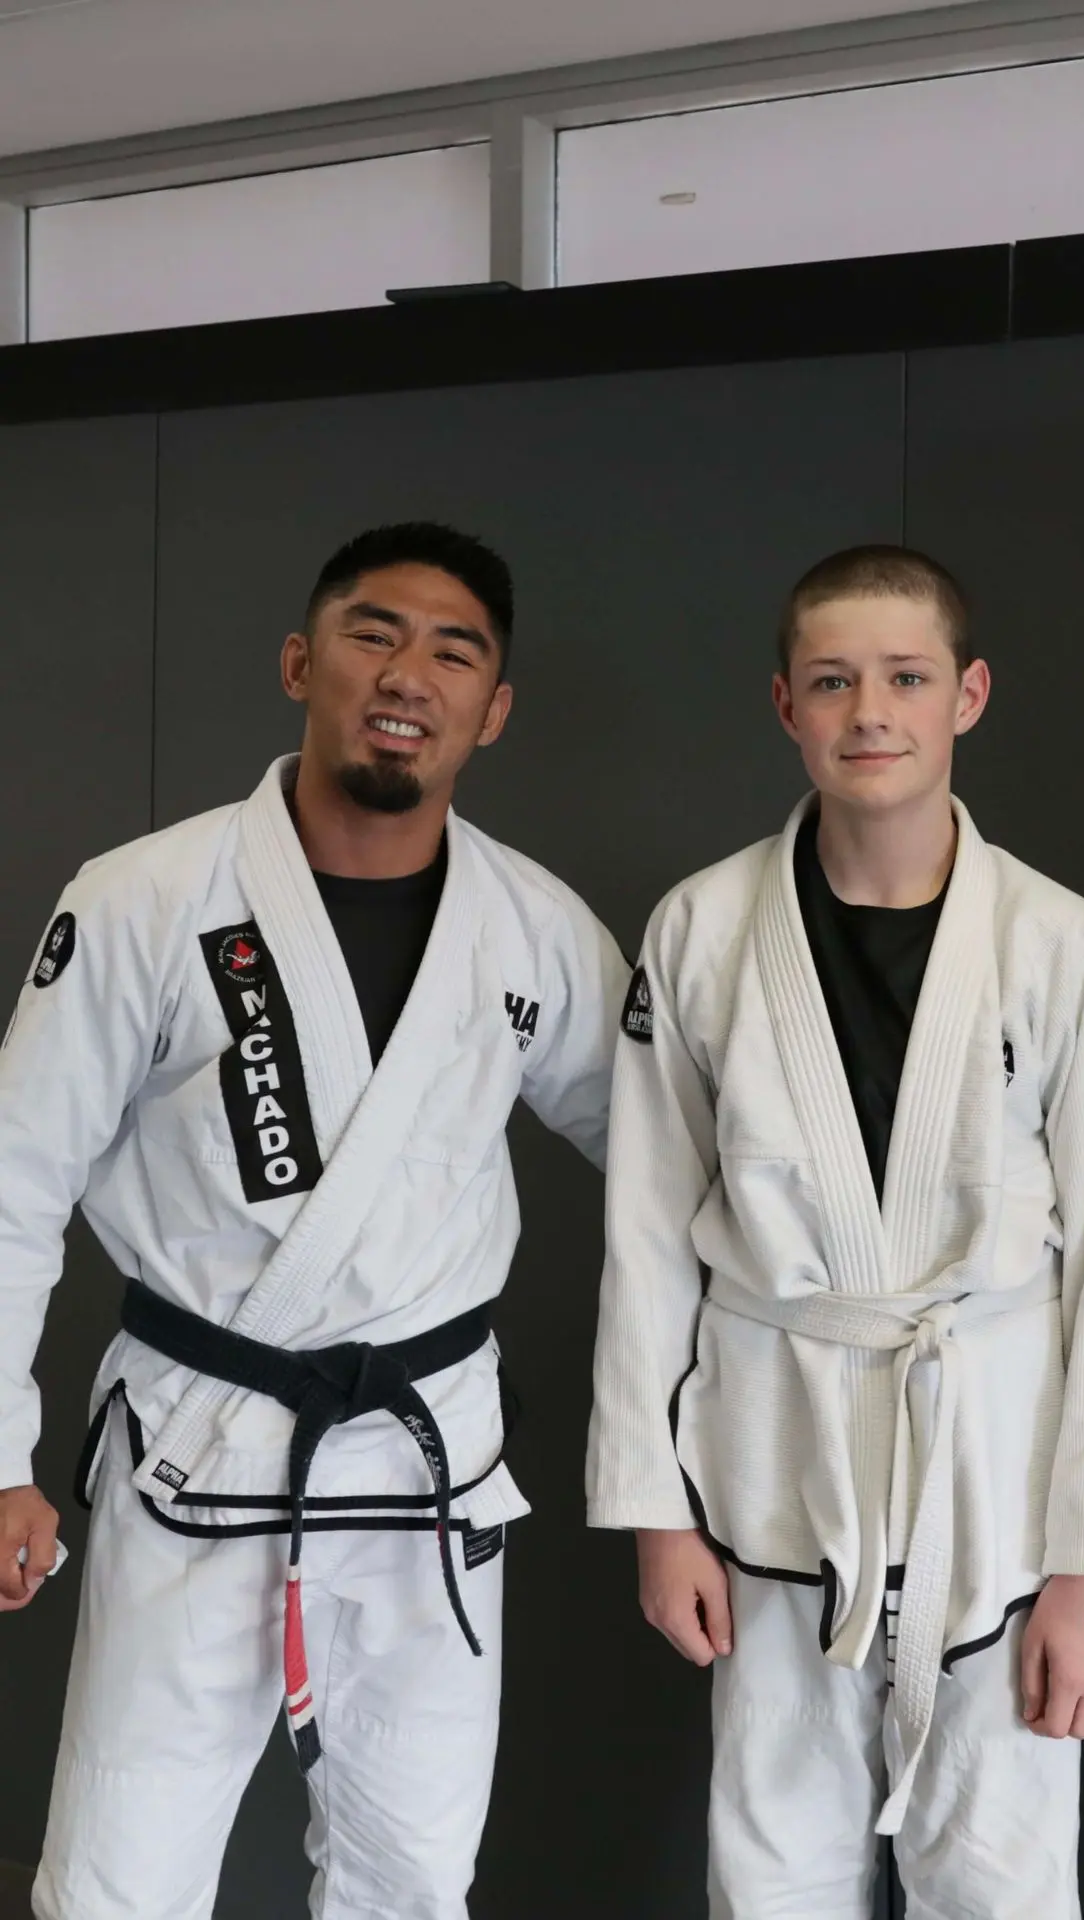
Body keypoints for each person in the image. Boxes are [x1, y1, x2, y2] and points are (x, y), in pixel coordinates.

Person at [0, 522, 628, 1920]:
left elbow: (672, 1167)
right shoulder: (145, 900)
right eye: (373, 633)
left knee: (412, 1875)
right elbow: (12, 1179)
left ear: (494, 709)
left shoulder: (534, 928)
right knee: (120, 1875)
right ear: (301, 662)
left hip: (425, 1469)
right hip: (198, 1441)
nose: (409, 674)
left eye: (454, 651)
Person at [587, 545, 1084, 1917]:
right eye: (833, 682)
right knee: (772, 1866)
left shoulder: (1058, 940)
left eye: (906, 678)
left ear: (969, 695)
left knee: (1003, 1874)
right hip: (773, 1459)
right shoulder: (705, 928)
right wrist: (657, 1514)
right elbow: (648, 1235)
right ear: (785, 704)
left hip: (999, 1484)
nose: (870, 714)